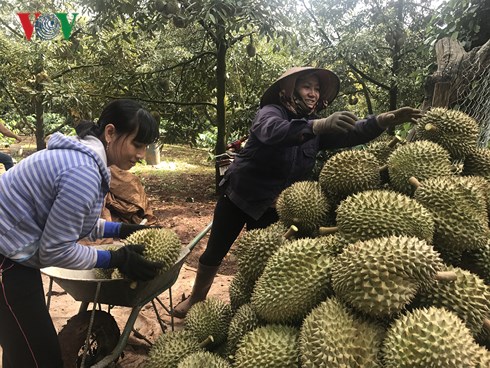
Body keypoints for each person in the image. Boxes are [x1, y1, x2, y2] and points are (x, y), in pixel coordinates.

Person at [171, 66, 423, 318]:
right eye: (306, 87)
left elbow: (350, 133)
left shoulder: (316, 130)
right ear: (289, 90)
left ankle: (253, 309)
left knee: (263, 263)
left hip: (275, 208)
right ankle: (196, 298)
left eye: (316, 89)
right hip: (241, 197)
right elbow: (272, 130)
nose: (313, 93)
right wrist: (318, 125)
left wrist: (382, 120)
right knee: (215, 251)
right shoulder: (271, 112)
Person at [0, 99, 164, 368]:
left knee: (20, 347)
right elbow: (56, 250)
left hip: (11, 250)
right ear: (110, 133)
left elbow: (78, 222)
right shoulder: (83, 172)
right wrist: (115, 259)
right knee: (42, 358)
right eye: (137, 143)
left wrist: (122, 229)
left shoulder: (83, 161)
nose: (142, 154)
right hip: (5, 260)